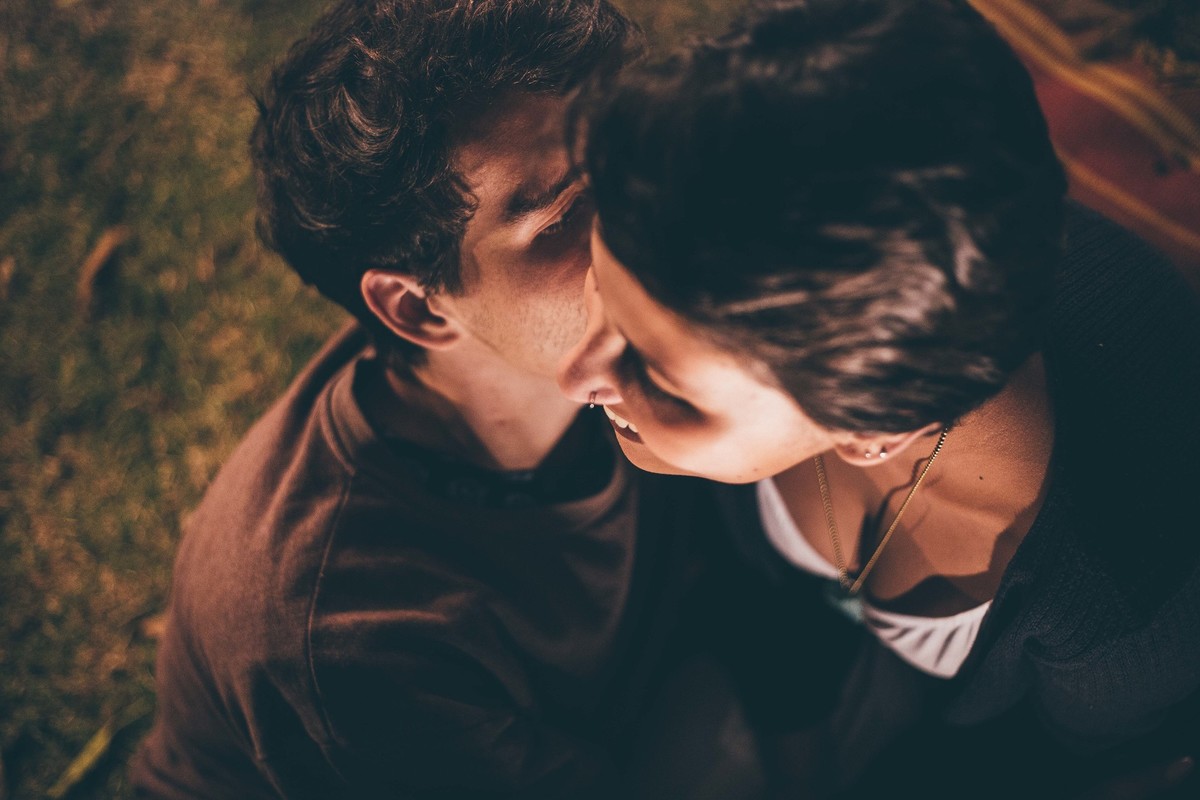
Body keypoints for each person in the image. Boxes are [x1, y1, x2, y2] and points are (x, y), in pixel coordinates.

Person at [559, 0, 1200, 796]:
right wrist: (800, 758)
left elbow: (1057, 768)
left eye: (657, 376)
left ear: (874, 430)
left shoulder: (1120, 608)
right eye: (600, 289)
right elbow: (760, 592)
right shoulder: (804, 275)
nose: (574, 377)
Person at [129, 1, 765, 797]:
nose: (655, 205)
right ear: (420, 309)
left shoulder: (589, 332)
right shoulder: (346, 635)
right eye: (569, 211)